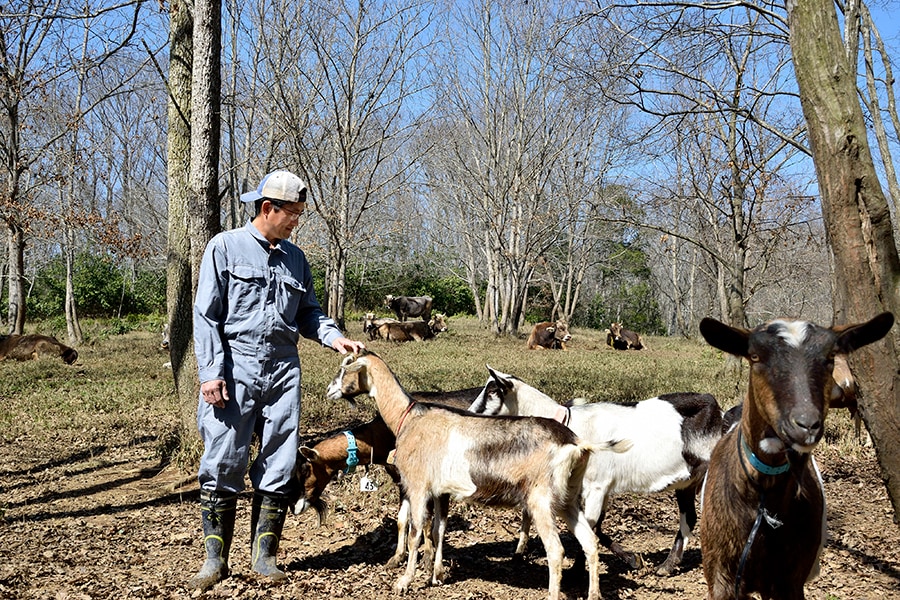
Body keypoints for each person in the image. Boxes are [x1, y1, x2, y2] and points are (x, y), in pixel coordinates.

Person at [188, 170, 365, 591]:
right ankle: (215, 561)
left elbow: (309, 312)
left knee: (280, 460)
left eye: (299, 215)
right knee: (223, 460)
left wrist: (333, 336)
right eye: (293, 214)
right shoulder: (224, 247)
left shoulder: (295, 258)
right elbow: (206, 315)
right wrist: (211, 372)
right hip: (235, 367)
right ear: (268, 208)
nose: (296, 222)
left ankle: (264, 557)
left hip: (284, 369)